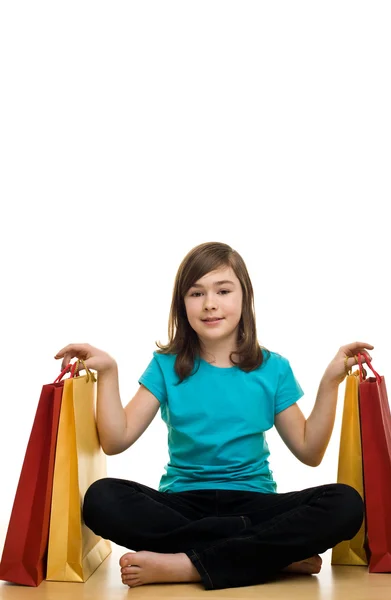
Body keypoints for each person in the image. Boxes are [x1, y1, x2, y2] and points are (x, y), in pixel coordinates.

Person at [54, 241, 373, 591]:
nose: (210, 304)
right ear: (182, 305)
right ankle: (268, 555)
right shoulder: (166, 366)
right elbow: (116, 441)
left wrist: (330, 380)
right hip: (184, 505)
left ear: (244, 298)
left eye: (223, 290)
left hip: (254, 502)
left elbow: (310, 452)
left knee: (346, 504)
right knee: (101, 499)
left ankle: (189, 565)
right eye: (196, 293)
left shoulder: (273, 369)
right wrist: (110, 372)